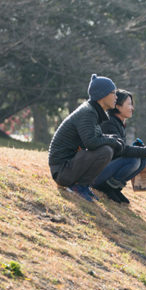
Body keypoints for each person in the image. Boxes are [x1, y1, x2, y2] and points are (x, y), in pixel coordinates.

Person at [48, 74, 125, 202]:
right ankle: (78, 187)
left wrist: (112, 138)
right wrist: (112, 141)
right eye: (114, 93)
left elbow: (95, 137)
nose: (116, 97)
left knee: (107, 148)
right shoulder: (88, 113)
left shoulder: (93, 111)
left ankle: (82, 186)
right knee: (106, 151)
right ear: (103, 95)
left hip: (68, 168)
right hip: (62, 172)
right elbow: (91, 143)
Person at [92, 89, 146, 204]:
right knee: (133, 160)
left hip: (106, 168)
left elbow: (119, 148)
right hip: (96, 174)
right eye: (129, 104)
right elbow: (121, 150)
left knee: (142, 160)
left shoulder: (119, 123)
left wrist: (138, 148)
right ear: (118, 106)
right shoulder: (108, 123)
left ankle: (114, 188)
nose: (132, 108)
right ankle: (105, 187)